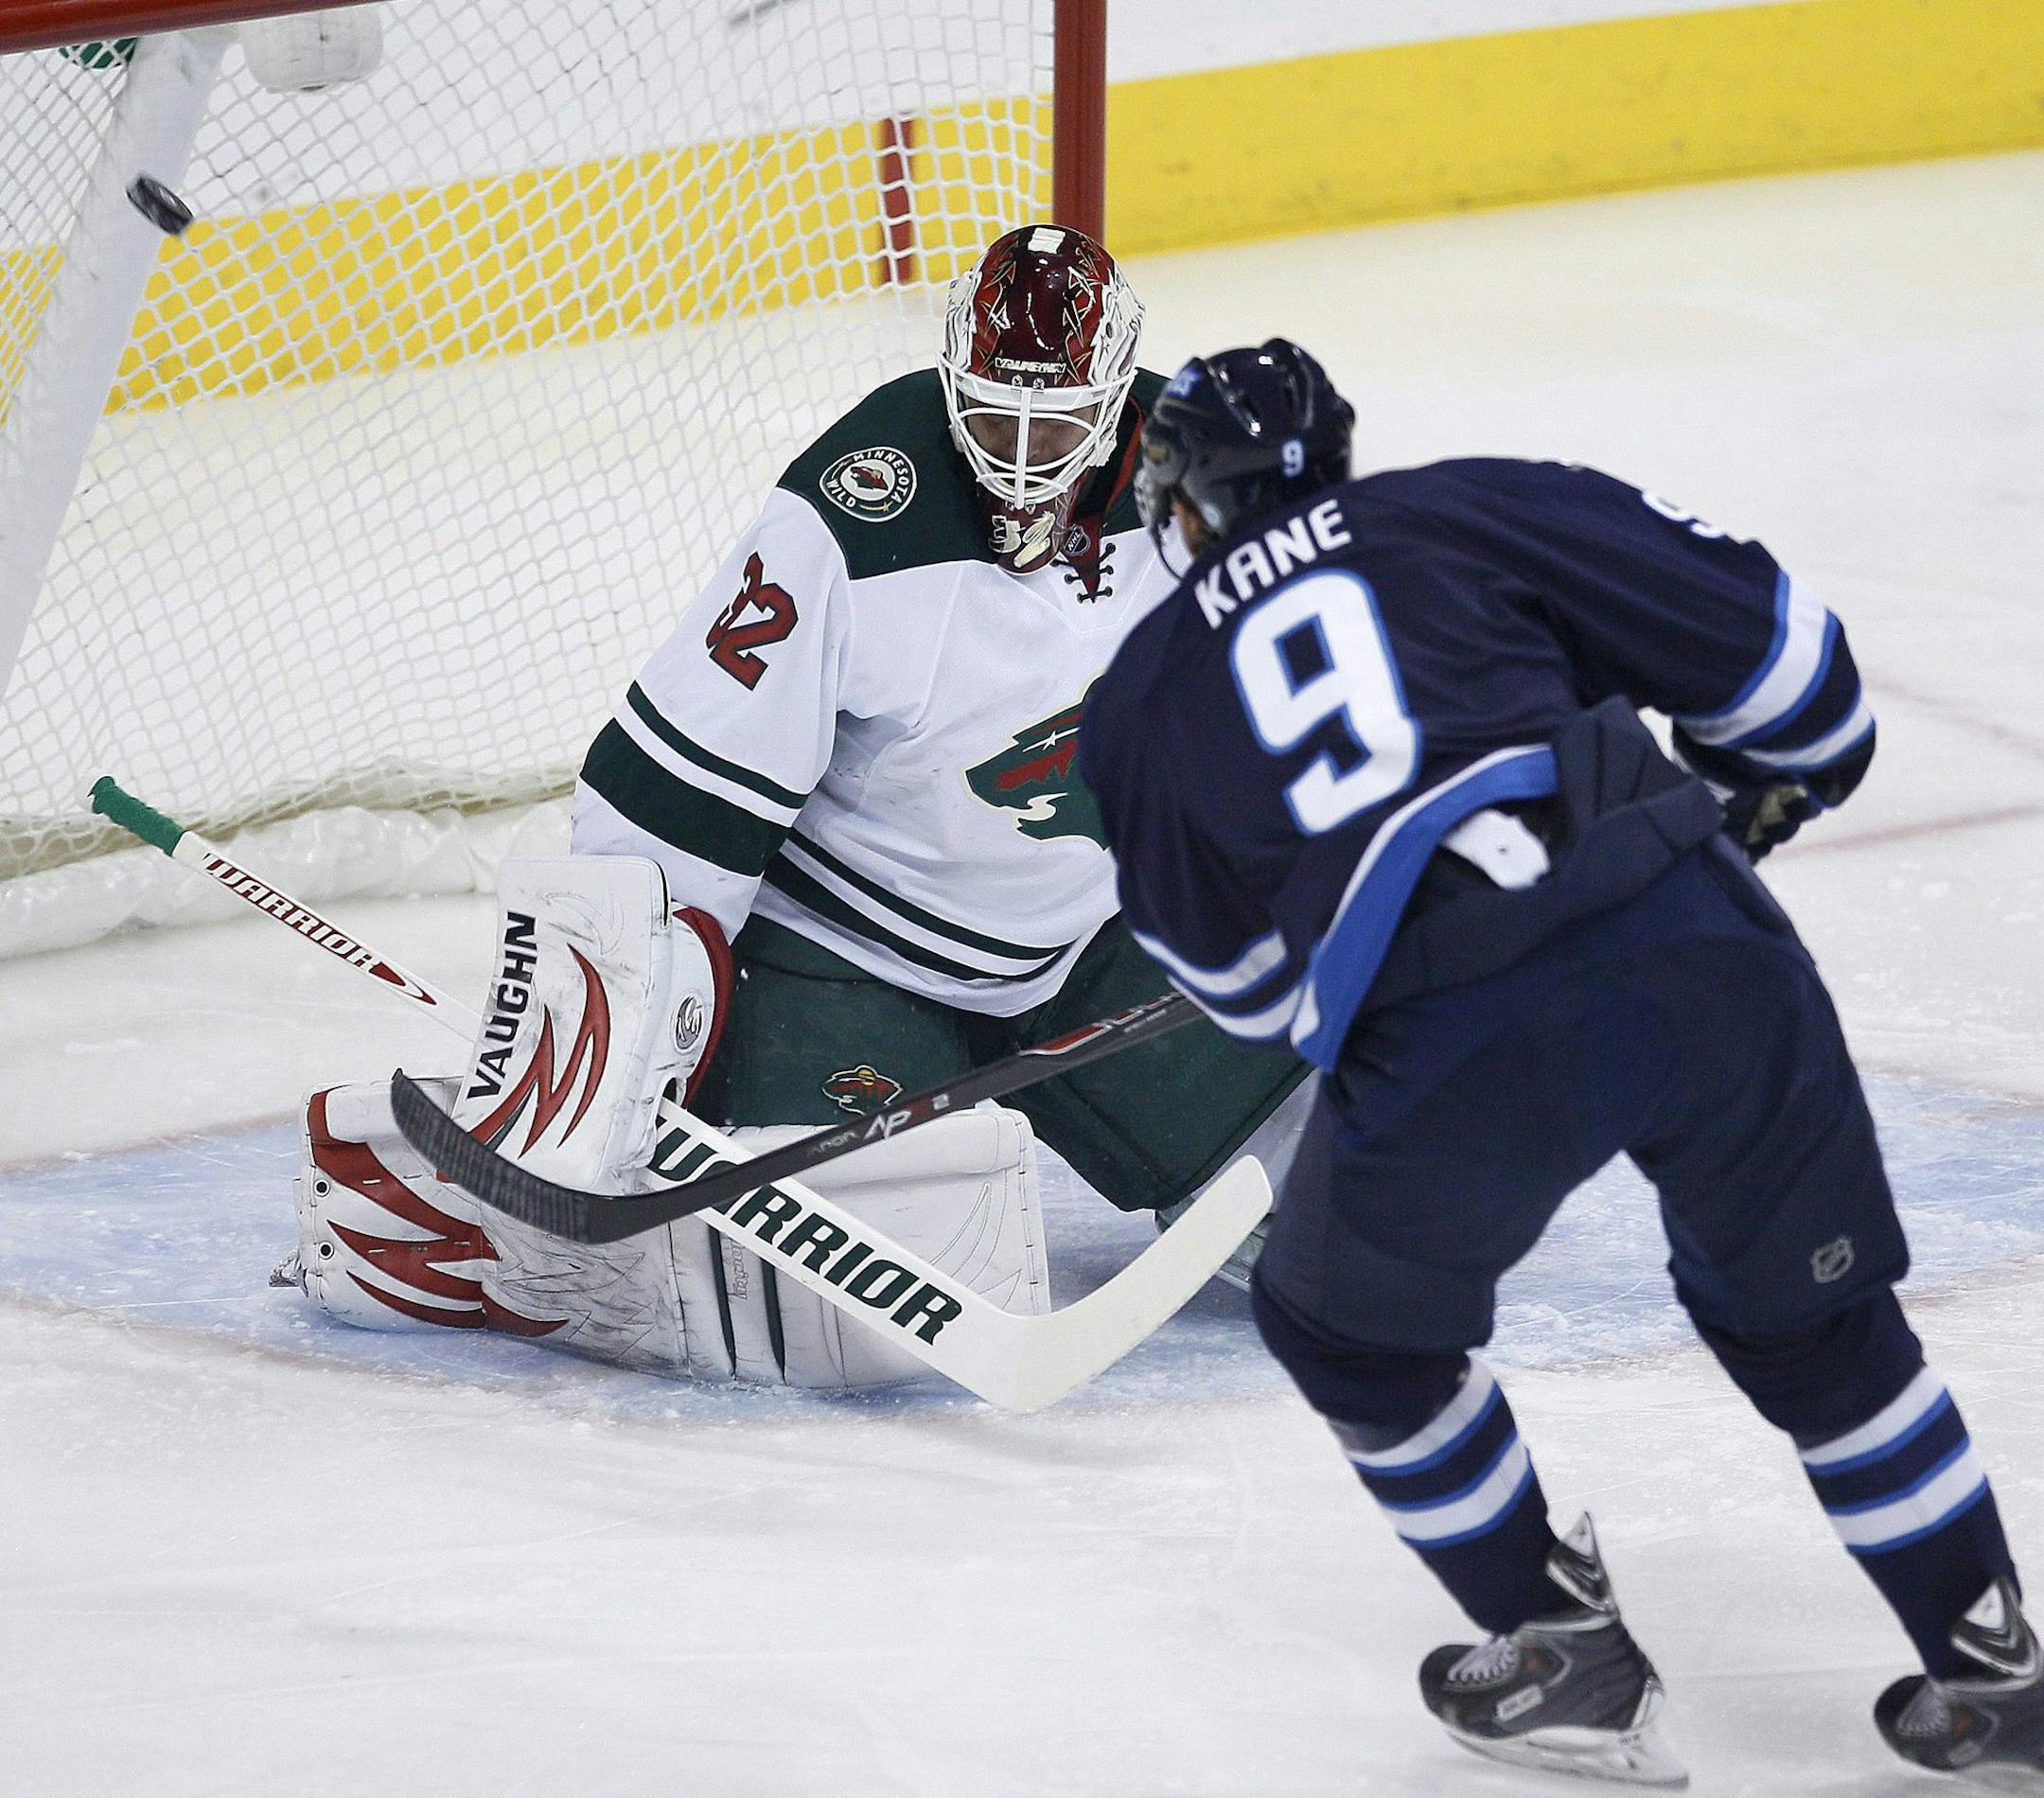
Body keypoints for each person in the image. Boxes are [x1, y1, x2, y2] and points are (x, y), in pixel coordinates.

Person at [1078, 339, 2042, 1788]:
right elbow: (1807, 691)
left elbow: (1249, 1000)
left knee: (1348, 1331)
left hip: (1451, 1019)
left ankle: (1557, 1646)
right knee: (1819, 1319)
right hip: (1689, 926)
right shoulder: (1474, 507)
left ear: (1186, 505)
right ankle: (1992, 1665)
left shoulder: (1142, 697)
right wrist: (1731, 806)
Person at [279, 230, 1308, 1394]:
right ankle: (471, 1239)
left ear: (1119, 399)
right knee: (876, 1306)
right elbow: (680, 782)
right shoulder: (859, 511)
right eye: (992, 419)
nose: (1021, 462)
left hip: (1096, 938)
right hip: (843, 961)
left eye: (1055, 427)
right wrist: (644, 1002)